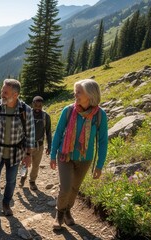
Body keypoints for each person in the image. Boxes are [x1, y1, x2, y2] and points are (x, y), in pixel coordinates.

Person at [50, 79, 108, 229]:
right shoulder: (68, 111)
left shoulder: (100, 115)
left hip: (85, 159)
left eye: (79, 92)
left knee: (75, 188)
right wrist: (52, 155)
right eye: (76, 91)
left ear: (90, 95)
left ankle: (68, 210)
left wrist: (99, 165)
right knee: (66, 187)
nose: (75, 94)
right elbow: (57, 134)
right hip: (65, 156)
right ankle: (59, 214)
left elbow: (102, 142)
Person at [0, 79, 35, 216]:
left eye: (5, 92)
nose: (2, 94)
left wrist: (28, 155)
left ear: (15, 95)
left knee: (11, 182)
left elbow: (30, 135)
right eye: (2, 91)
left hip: (15, 154)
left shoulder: (25, 110)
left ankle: (6, 203)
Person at [19, 96, 52, 191]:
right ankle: (23, 177)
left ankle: (32, 181)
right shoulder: (27, 115)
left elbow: (48, 132)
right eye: (36, 105)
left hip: (39, 145)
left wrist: (49, 146)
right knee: (24, 162)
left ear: (42, 106)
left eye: (40, 106)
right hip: (26, 145)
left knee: (36, 165)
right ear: (32, 104)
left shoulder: (46, 116)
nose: (37, 108)